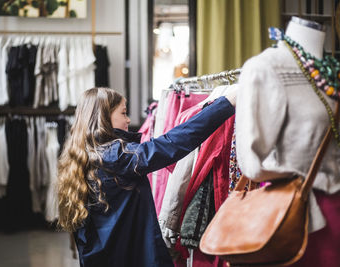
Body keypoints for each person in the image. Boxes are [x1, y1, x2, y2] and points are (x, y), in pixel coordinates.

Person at [57, 87, 237, 267]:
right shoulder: (116, 157)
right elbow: (173, 143)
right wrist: (227, 103)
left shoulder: (84, 155)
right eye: (124, 113)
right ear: (103, 117)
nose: (128, 120)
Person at [236, 16, 340, 266]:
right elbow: (251, 161)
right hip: (304, 218)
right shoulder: (265, 68)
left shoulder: (330, 69)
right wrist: (296, 177)